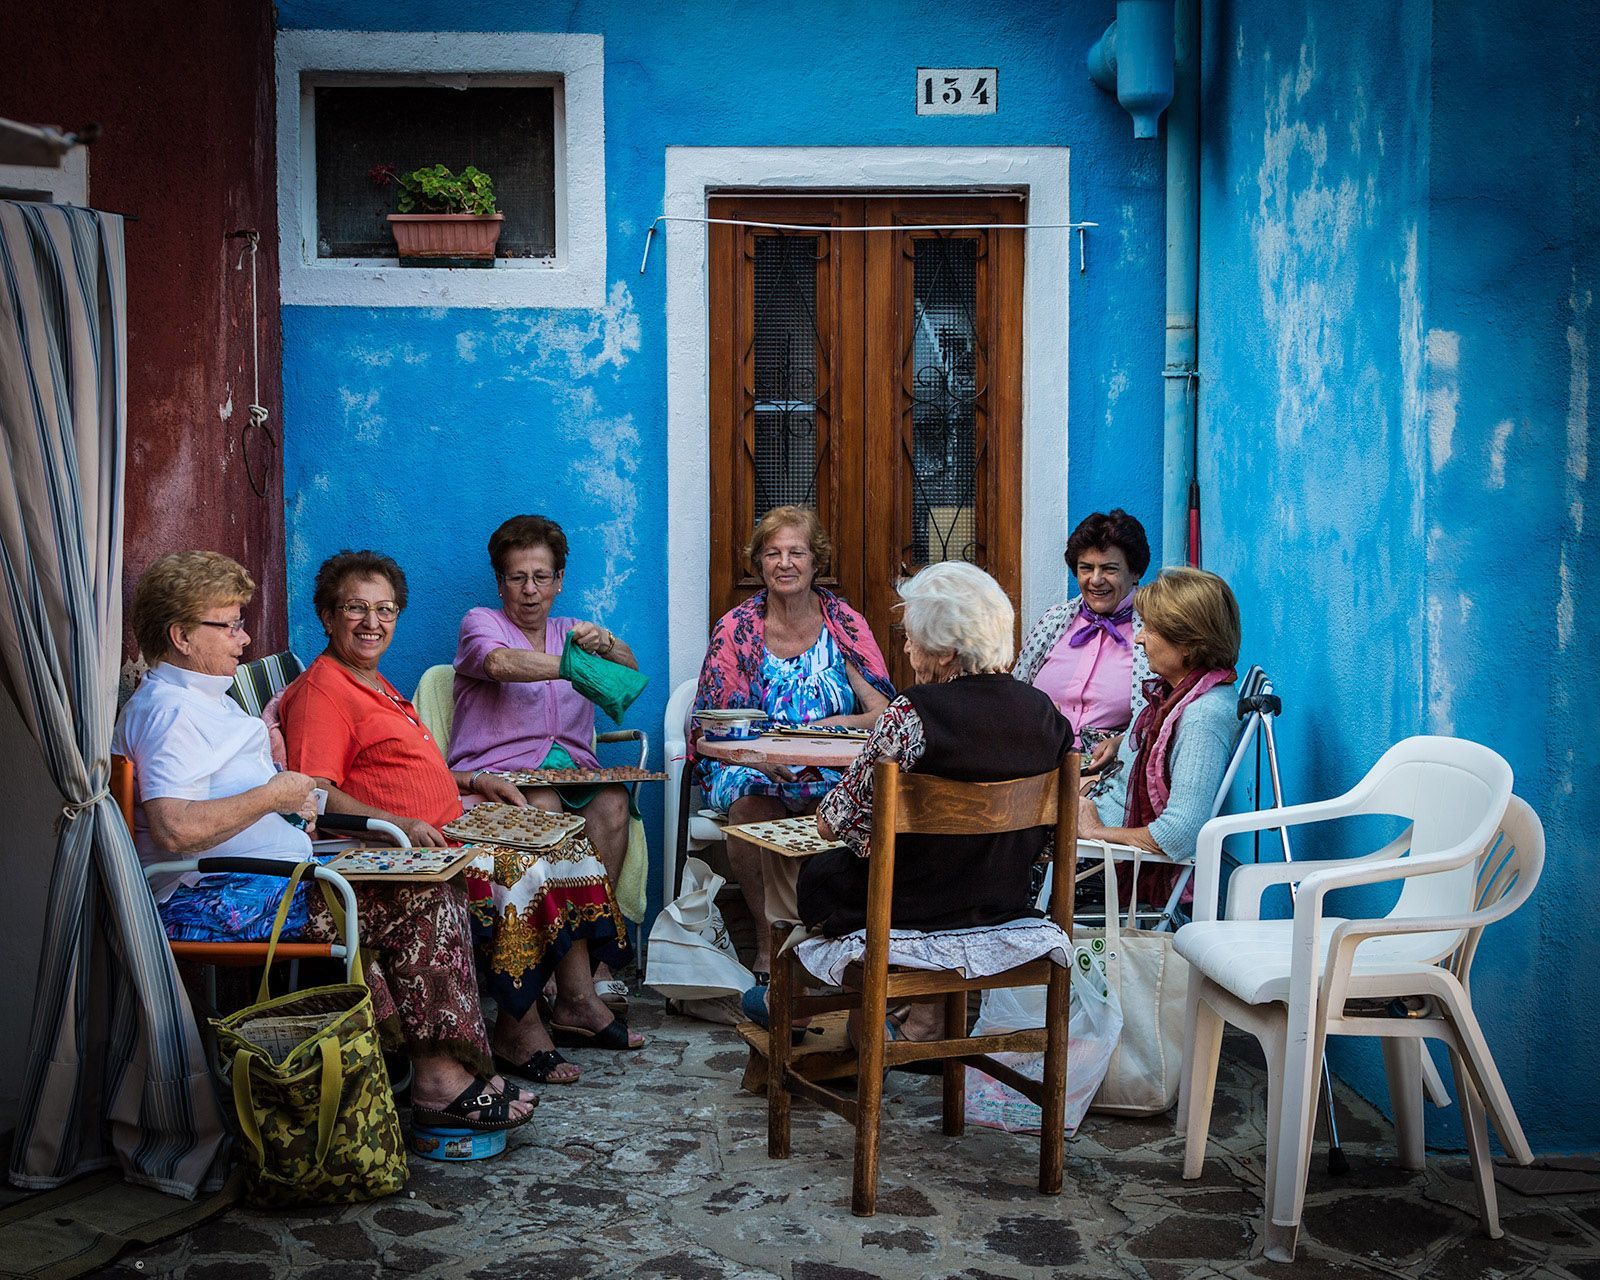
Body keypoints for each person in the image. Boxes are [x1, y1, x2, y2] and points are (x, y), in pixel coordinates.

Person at [113, 552, 533, 1133]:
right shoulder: (170, 712)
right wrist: (274, 794)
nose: (244, 638)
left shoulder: (201, 698)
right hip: (219, 898)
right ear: (182, 636)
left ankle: (446, 1069)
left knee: (429, 881)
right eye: (229, 625)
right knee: (423, 898)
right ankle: (441, 1082)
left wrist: (284, 798)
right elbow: (174, 828)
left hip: (267, 877)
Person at [277, 550, 642, 1088]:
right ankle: (519, 1030)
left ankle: (577, 998)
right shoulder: (323, 691)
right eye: (356, 608)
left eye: (385, 609)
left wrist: (471, 781)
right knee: (521, 866)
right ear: (328, 617)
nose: (373, 622)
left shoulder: (372, 682)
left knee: (565, 845)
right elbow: (314, 791)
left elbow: (405, 770)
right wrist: (398, 822)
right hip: (399, 850)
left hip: (446, 825)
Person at [802, 561, 1073, 1040]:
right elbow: (1049, 844)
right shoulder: (1045, 714)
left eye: (912, 639)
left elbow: (834, 823)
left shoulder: (911, 713)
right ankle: (907, 1024)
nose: (906, 649)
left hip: (909, 908)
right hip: (1002, 903)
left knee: (816, 876)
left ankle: (822, 1018)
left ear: (947, 651)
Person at [693, 505, 894, 977]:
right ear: (759, 563)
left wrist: (830, 728)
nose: (784, 563)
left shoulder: (844, 624)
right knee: (751, 803)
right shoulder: (736, 629)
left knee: (859, 804)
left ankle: (833, 937)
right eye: (772, 553)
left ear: (815, 561)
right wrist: (760, 756)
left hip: (832, 767)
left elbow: (882, 712)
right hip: (753, 763)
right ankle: (770, 942)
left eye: (796, 553)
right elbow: (715, 722)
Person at [447, 514, 638, 1008]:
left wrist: (606, 645)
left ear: (559, 580)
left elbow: (630, 671)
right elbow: (498, 663)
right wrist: (575, 668)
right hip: (497, 774)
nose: (530, 590)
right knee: (545, 805)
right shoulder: (480, 624)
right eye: (517, 577)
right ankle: (547, 963)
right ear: (500, 582)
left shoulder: (572, 630)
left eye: (541, 576)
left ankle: (592, 966)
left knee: (613, 803)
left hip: (573, 768)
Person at [1077, 566, 1241, 878]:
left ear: (1188, 645)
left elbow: (1177, 835)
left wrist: (1094, 831)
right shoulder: (1181, 695)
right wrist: (1122, 743)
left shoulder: (1202, 717)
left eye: (1151, 629)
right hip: (1100, 813)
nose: (1140, 639)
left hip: (1103, 858)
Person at [1013, 509, 1153, 769]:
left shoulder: (1155, 630)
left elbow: (1167, 716)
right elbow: (1016, 693)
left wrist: (1123, 743)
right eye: (1086, 568)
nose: (1096, 580)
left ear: (1134, 572)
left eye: (1109, 569)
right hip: (1036, 766)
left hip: (1115, 772)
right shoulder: (1054, 622)